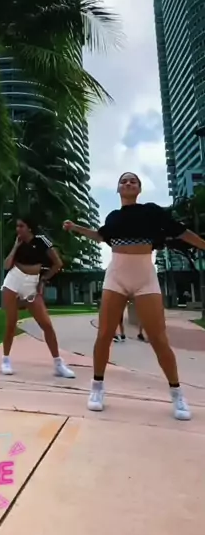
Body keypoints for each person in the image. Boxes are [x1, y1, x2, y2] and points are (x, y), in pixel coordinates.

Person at [63, 171, 205, 420]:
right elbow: (100, 236)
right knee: (104, 334)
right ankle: (97, 387)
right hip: (116, 275)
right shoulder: (113, 217)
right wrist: (76, 228)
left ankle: (177, 394)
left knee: (158, 338)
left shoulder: (151, 211)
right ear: (118, 189)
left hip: (144, 275)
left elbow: (181, 232)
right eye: (124, 181)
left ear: (139, 189)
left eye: (133, 181)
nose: (128, 183)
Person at [0, 217, 75, 379]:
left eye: (21, 226)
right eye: (17, 226)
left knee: (46, 325)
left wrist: (44, 279)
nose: (18, 229)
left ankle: (58, 364)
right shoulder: (17, 243)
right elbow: (6, 265)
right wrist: (15, 246)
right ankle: (5, 360)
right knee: (11, 323)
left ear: (29, 228)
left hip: (32, 283)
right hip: (14, 280)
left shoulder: (41, 241)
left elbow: (57, 263)